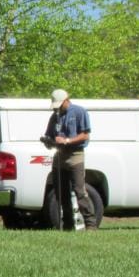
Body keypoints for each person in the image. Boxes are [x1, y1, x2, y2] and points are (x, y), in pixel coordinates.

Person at [44, 88, 97, 231]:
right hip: (59, 155)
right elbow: (50, 135)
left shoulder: (79, 112)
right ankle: (67, 225)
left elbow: (85, 135)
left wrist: (67, 140)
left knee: (80, 191)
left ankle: (91, 224)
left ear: (66, 100)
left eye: (60, 105)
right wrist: (48, 141)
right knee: (61, 193)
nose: (58, 109)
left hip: (75, 156)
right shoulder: (54, 116)